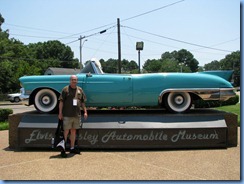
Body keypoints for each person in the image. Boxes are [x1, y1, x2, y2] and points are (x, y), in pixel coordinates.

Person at [58, 75, 88, 157]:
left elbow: (82, 102)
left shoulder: (80, 90)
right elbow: (61, 102)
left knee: (73, 131)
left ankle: (72, 148)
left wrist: (85, 111)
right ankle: (63, 149)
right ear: (70, 80)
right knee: (66, 131)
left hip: (76, 115)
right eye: (72, 80)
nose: (74, 81)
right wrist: (60, 113)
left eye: (75, 80)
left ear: (77, 81)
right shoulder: (65, 89)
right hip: (67, 114)